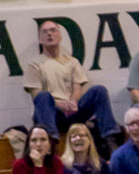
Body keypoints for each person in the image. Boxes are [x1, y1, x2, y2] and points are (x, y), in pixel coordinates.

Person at [24, 20, 121, 155]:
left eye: (53, 30)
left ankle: (110, 140)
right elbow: (36, 96)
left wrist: (73, 103)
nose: (49, 34)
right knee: (43, 96)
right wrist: (61, 105)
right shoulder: (34, 64)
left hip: (73, 112)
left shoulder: (72, 61)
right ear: (40, 39)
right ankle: (51, 143)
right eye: (45, 32)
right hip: (51, 115)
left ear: (60, 35)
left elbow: (77, 87)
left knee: (99, 90)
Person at [110, 106, 139, 174]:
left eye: (138, 123)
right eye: (131, 124)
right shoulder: (118, 156)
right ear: (126, 128)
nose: (136, 128)